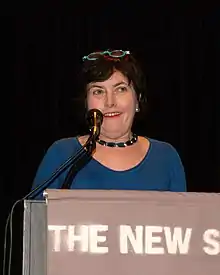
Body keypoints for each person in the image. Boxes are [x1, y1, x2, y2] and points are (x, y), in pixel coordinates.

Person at [31, 49, 187, 199]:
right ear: (86, 103)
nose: (110, 102)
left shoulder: (166, 158)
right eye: (98, 91)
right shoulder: (62, 155)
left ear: (137, 99)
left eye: (120, 89)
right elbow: (36, 221)